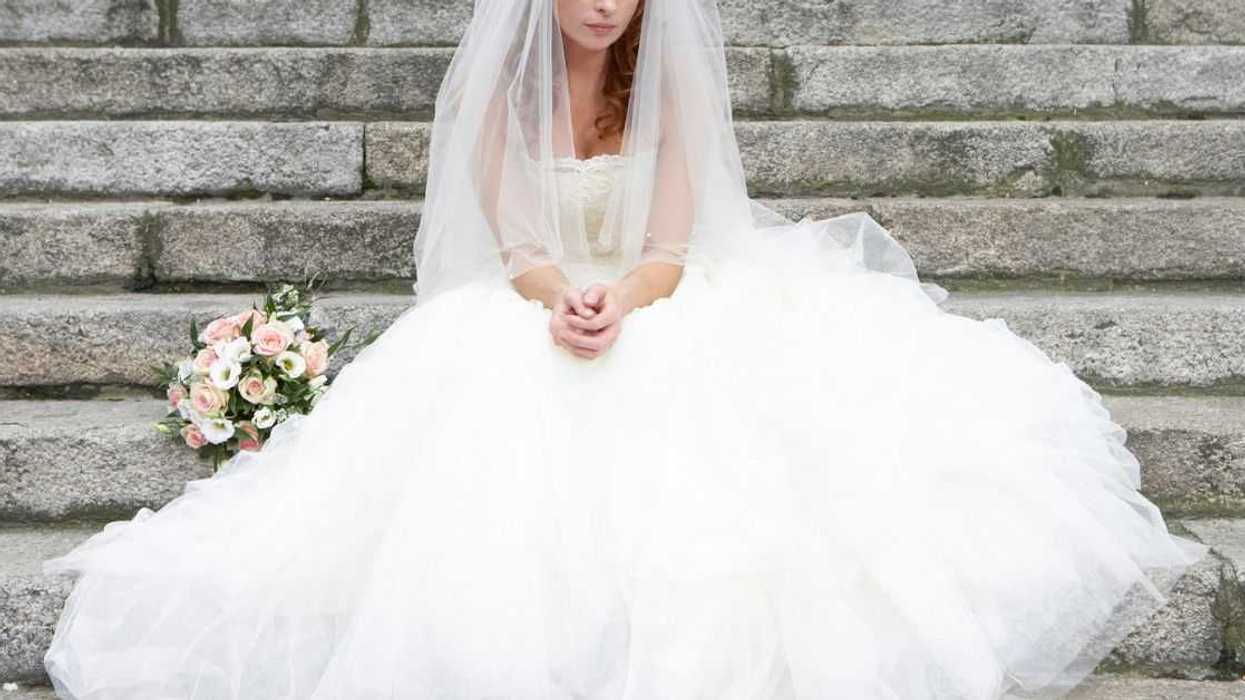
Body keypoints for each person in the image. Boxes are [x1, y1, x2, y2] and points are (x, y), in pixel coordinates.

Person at [41, 0, 1209, 698]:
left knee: (697, 407)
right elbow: (514, 245)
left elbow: (670, 246)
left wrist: (622, 303)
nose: (607, 5)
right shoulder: (504, 99)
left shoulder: (664, 89)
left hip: (659, 292)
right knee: (499, 391)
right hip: (538, 298)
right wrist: (561, 301)